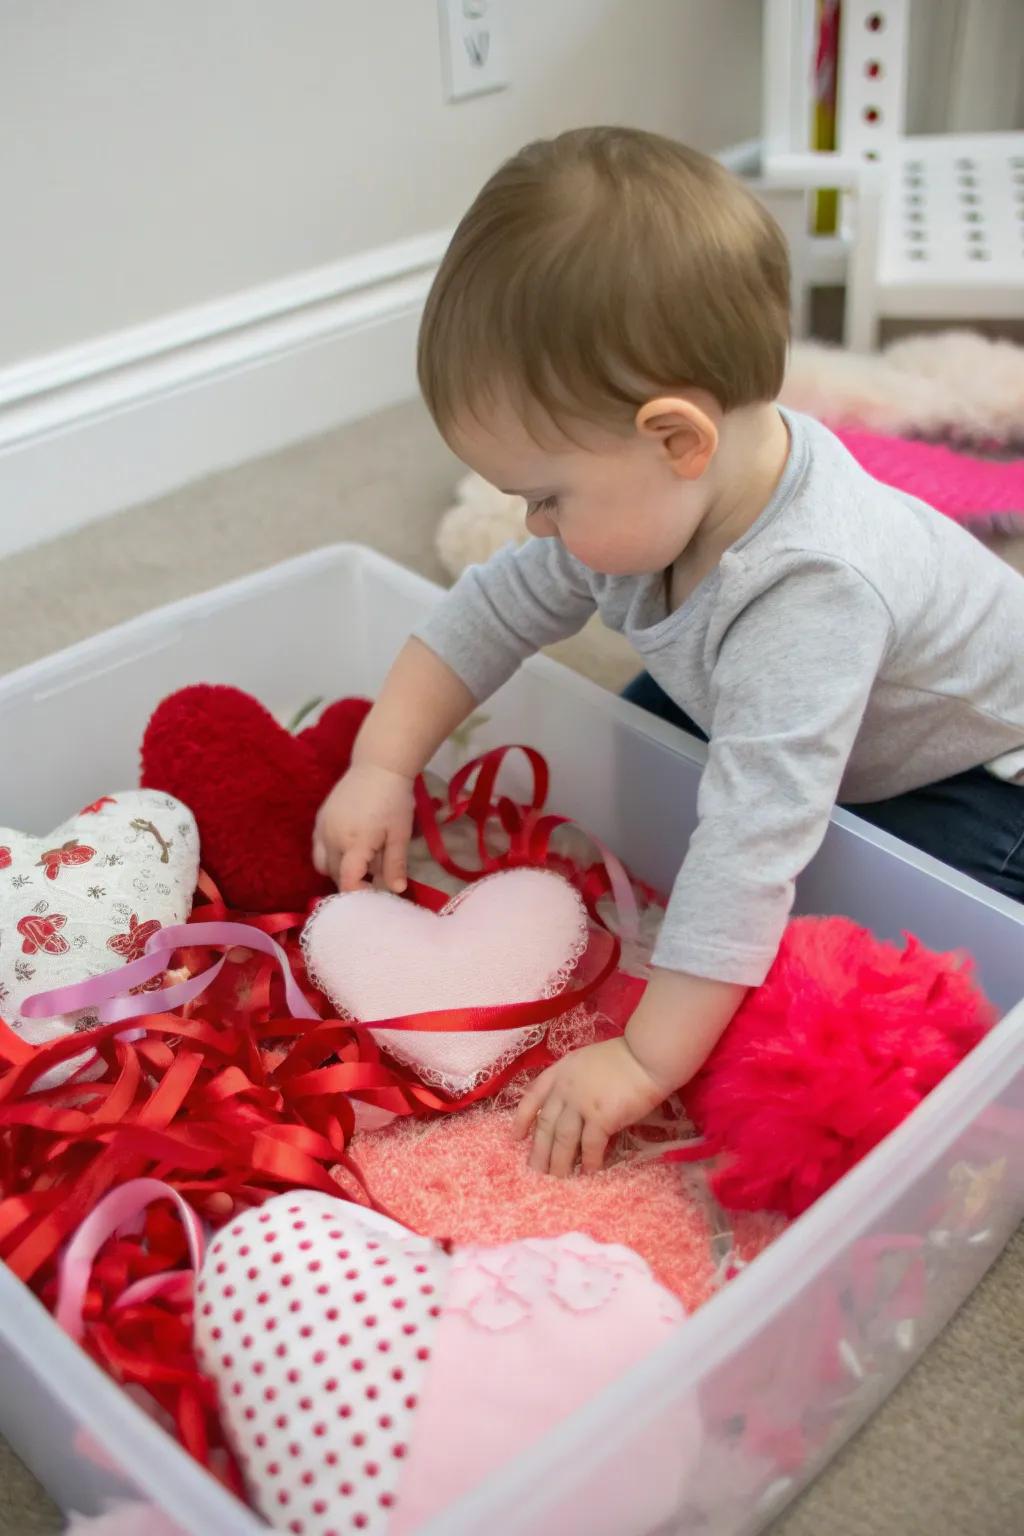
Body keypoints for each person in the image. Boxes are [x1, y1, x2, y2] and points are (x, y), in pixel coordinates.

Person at [313, 127, 1024, 1178]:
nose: (537, 527)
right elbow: (485, 610)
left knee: (897, 928)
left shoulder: (811, 590)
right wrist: (383, 762)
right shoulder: (642, 502)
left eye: (545, 497)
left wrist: (643, 1060)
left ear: (678, 439)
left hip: (973, 768)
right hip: (774, 702)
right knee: (638, 766)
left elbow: (747, 850)